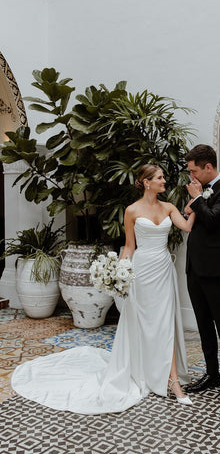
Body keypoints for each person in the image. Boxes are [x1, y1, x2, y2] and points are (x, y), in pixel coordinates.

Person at [11, 164, 196, 414]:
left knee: (165, 323)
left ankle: (173, 380)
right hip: (140, 272)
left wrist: (195, 201)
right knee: (143, 322)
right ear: (146, 182)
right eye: (160, 177)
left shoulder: (170, 207)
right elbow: (129, 246)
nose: (165, 181)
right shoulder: (131, 211)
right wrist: (119, 273)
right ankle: (148, 370)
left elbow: (187, 227)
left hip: (163, 270)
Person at [184, 144, 220, 410]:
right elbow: (195, 221)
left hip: (217, 270)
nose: (192, 176)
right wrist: (194, 203)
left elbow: (214, 221)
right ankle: (212, 375)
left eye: (195, 171)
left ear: (209, 167)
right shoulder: (201, 190)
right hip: (195, 268)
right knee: (203, 325)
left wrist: (197, 199)